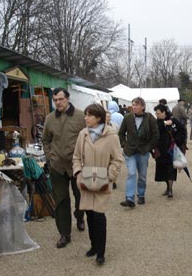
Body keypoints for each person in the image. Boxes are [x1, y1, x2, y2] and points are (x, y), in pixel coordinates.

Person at [73, 104, 123, 265]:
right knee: (89, 214)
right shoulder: (83, 134)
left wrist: (110, 176)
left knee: (99, 216)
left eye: (89, 115)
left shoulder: (111, 136)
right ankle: (93, 246)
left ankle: (101, 252)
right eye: (85, 114)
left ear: (99, 118)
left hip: (102, 180)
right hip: (86, 179)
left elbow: (117, 159)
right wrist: (78, 174)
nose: (85, 118)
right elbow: (76, 157)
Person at [42, 88, 86, 248]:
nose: (58, 103)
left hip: (77, 166)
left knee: (81, 197)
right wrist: (50, 156)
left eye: (60, 99)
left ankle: (80, 216)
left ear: (68, 99)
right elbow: (45, 140)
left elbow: (90, 138)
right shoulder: (50, 118)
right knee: (61, 200)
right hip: (57, 166)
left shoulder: (81, 117)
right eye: (55, 100)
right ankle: (64, 233)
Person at [119, 97, 159, 207]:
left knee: (142, 175)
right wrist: (124, 145)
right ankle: (129, 198)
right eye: (133, 105)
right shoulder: (127, 118)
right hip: (130, 151)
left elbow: (156, 135)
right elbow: (121, 133)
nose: (134, 107)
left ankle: (141, 195)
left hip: (143, 151)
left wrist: (149, 147)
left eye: (137, 105)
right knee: (131, 173)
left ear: (143, 106)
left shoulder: (150, 118)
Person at [153, 104, 186, 198]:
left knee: (171, 169)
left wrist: (177, 141)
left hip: (171, 149)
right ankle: (168, 187)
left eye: (158, 113)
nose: (157, 114)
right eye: (156, 113)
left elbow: (182, 131)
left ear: (164, 112)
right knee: (163, 170)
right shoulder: (157, 122)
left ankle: (170, 189)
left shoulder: (174, 120)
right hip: (161, 149)